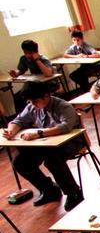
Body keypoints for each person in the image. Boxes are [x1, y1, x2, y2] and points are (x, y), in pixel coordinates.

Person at [2, 81, 84, 211]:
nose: (32, 105)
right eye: (30, 102)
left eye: (35, 101)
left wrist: (39, 134)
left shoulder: (63, 106)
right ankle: (49, 189)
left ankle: (73, 192)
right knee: (20, 162)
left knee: (52, 160)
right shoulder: (32, 106)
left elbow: (65, 127)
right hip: (46, 144)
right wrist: (11, 131)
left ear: (46, 96)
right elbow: (18, 121)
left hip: (71, 142)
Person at [9, 39, 55, 112]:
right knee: (18, 97)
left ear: (35, 52)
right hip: (34, 84)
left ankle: (38, 113)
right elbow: (21, 70)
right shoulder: (24, 59)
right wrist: (15, 73)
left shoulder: (43, 59)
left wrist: (37, 60)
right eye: (25, 53)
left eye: (30, 53)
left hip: (47, 84)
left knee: (34, 96)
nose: (27, 55)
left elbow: (48, 74)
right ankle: (22, 117)